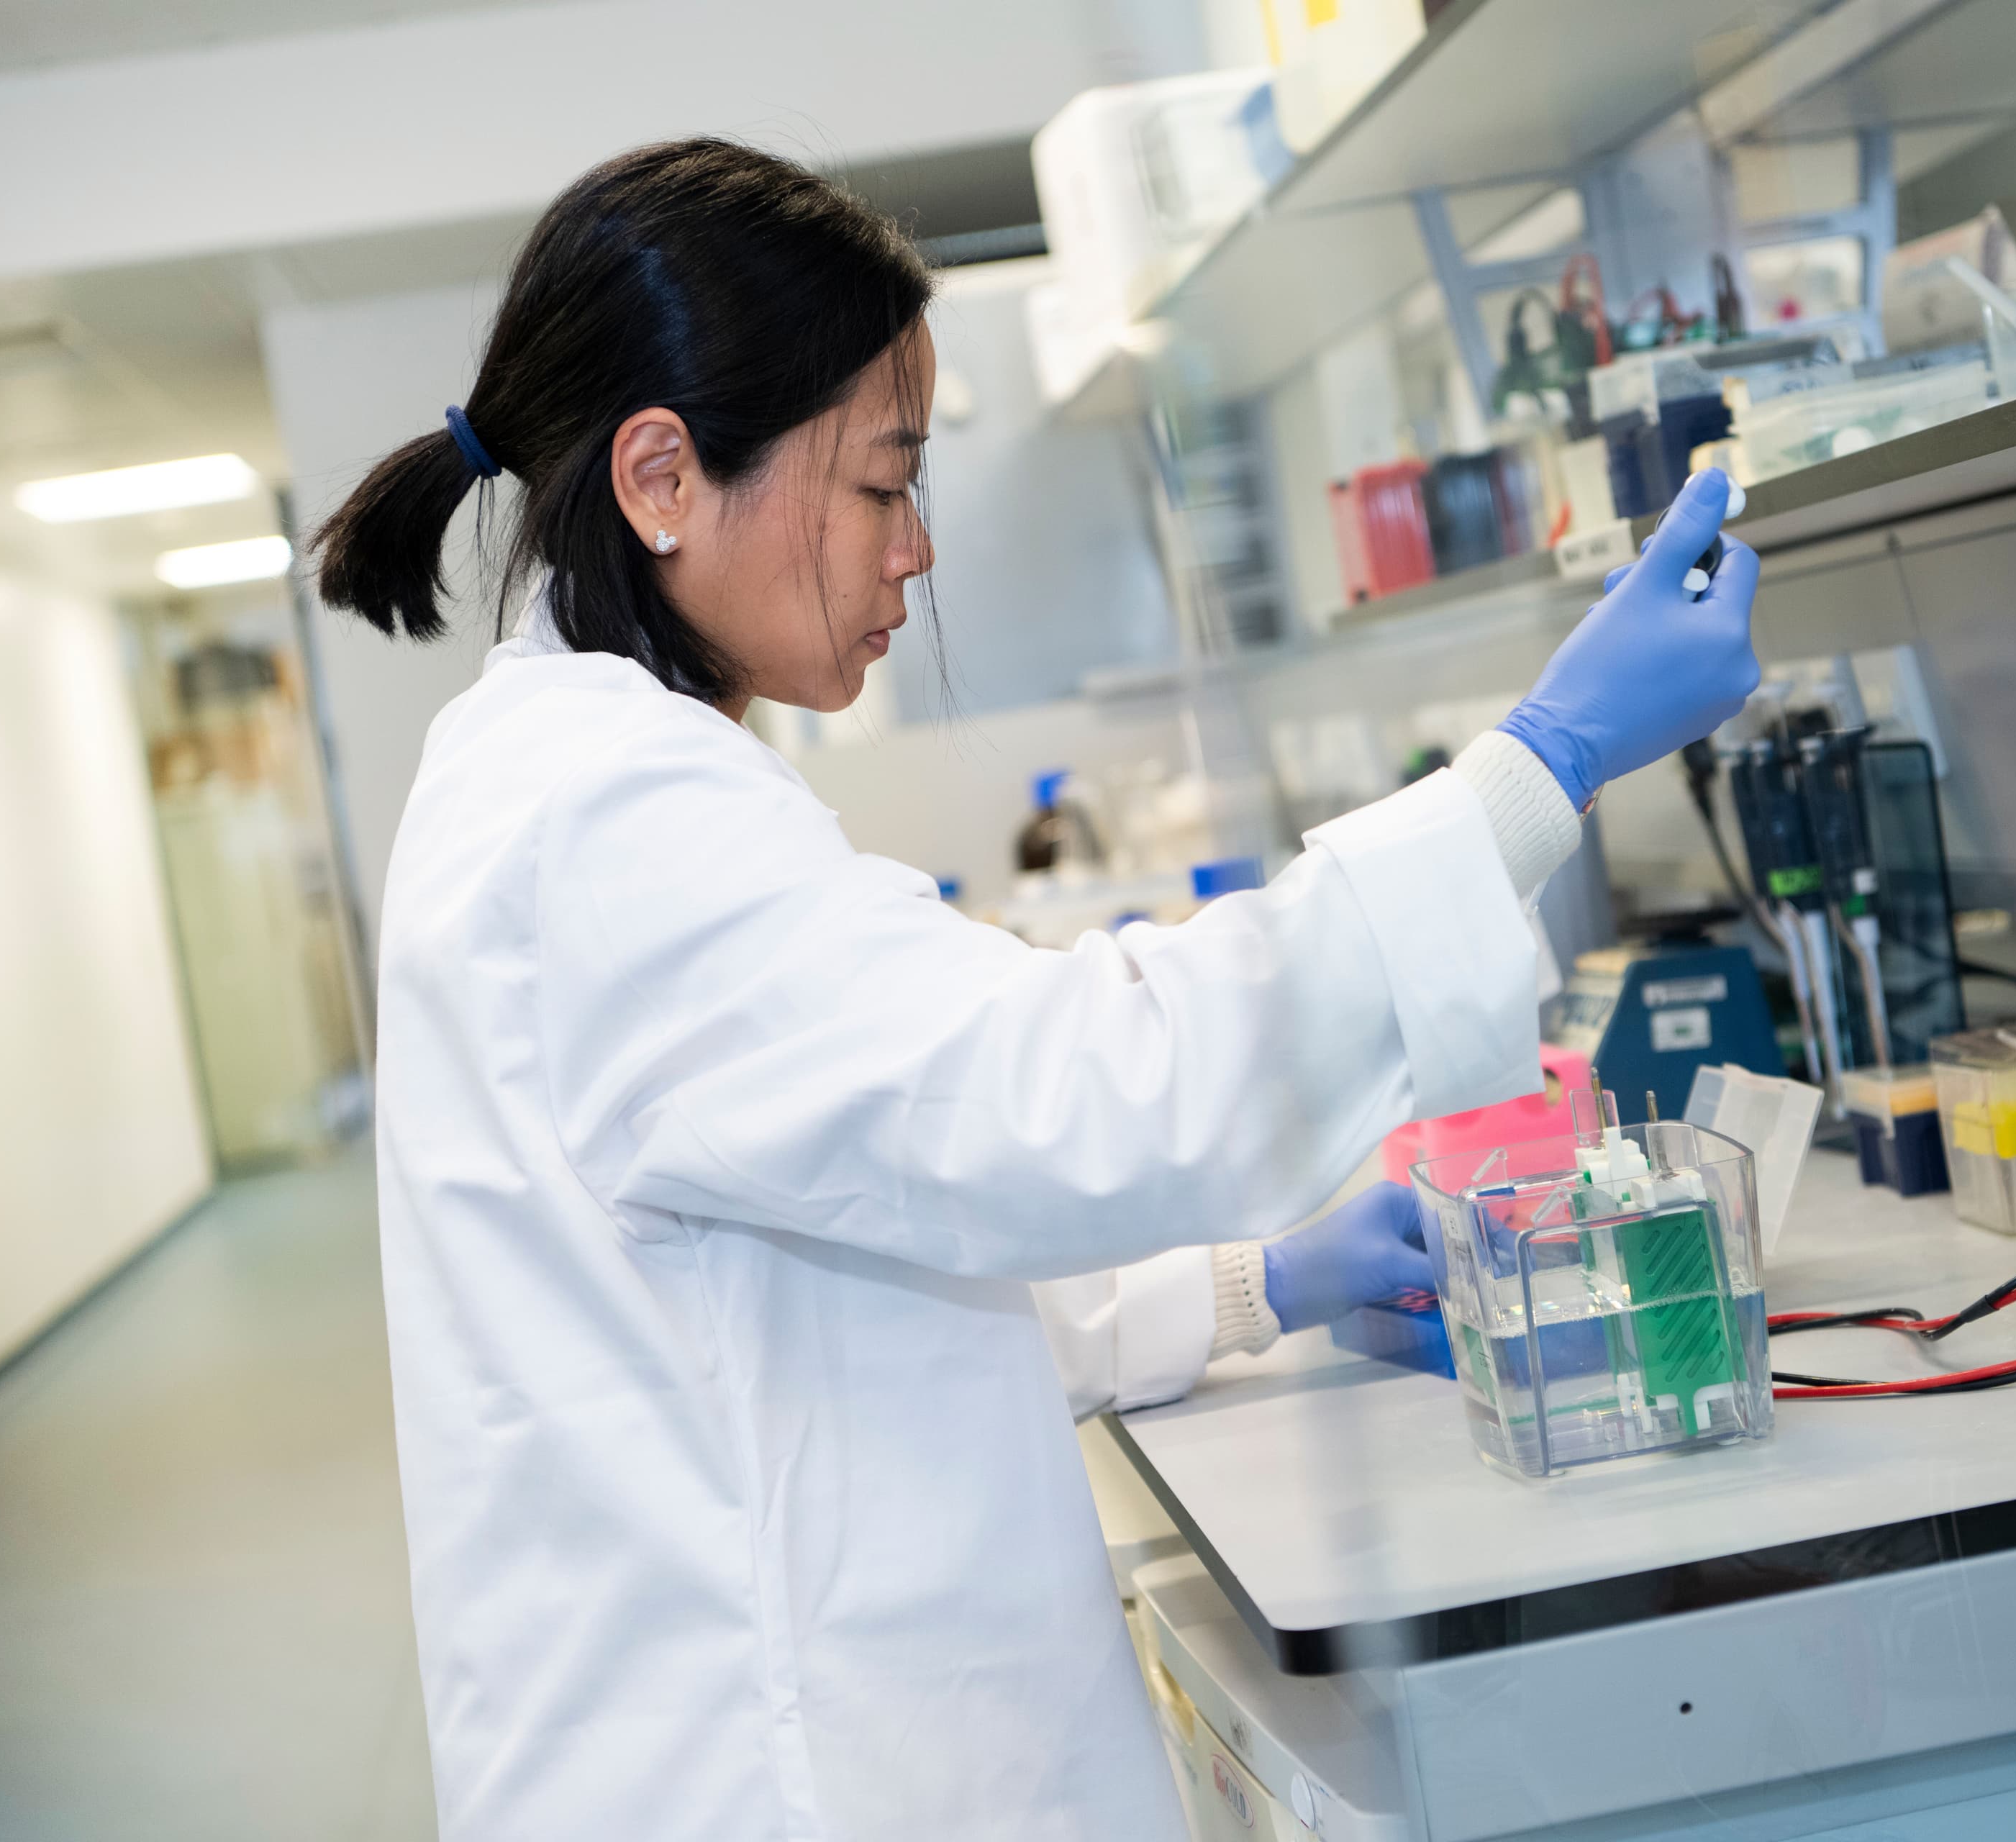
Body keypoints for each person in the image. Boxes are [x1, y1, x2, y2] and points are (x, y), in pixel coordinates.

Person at [314, 137, 1758, 1842]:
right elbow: (1077, 1089)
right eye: (882, 484)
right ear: (663, 476)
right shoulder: (611, 824)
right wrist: (1540, 766)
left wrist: (1254, 1282)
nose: (917, 546)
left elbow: (839, 1235)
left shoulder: (546, 773)